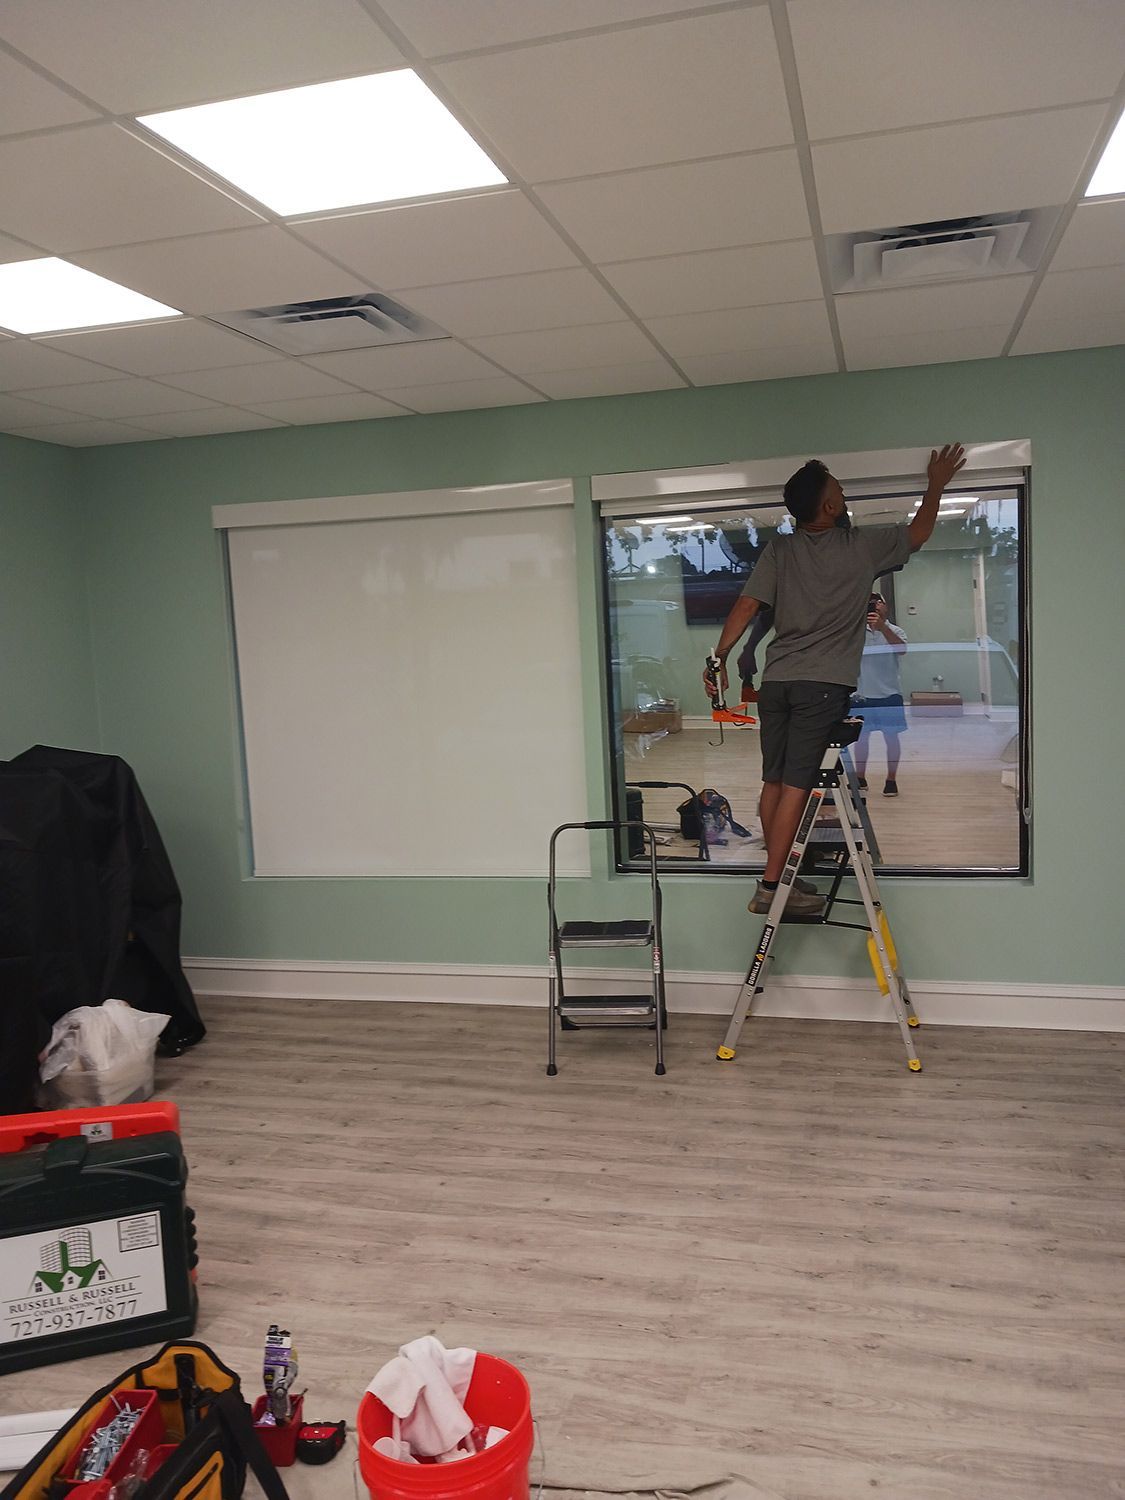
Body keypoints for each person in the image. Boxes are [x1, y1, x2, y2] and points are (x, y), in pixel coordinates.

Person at [704, 444, 965, 916]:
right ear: (828, 506)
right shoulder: (859, 546)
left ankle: (780, 873)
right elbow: (920, 532)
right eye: (840, 491)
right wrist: (937, 483)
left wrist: (718, 657)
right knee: (797, 788)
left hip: (778, 683)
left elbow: (745, 607)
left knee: (774, 781)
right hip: (819, 686)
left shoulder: (779, 549)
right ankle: (770, 886)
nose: (845, 497)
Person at [853, 593, 908, 797]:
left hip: (889, 693)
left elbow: (902, 650)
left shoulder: (895, 630)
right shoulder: (855, 631)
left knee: (892, 738)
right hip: (862, 694)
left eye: (878, 602)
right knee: (860, 738)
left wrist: (883, 626)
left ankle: (891, 779)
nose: (874, 606)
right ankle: (860, 778)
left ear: (885, 606)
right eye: (869, 603)